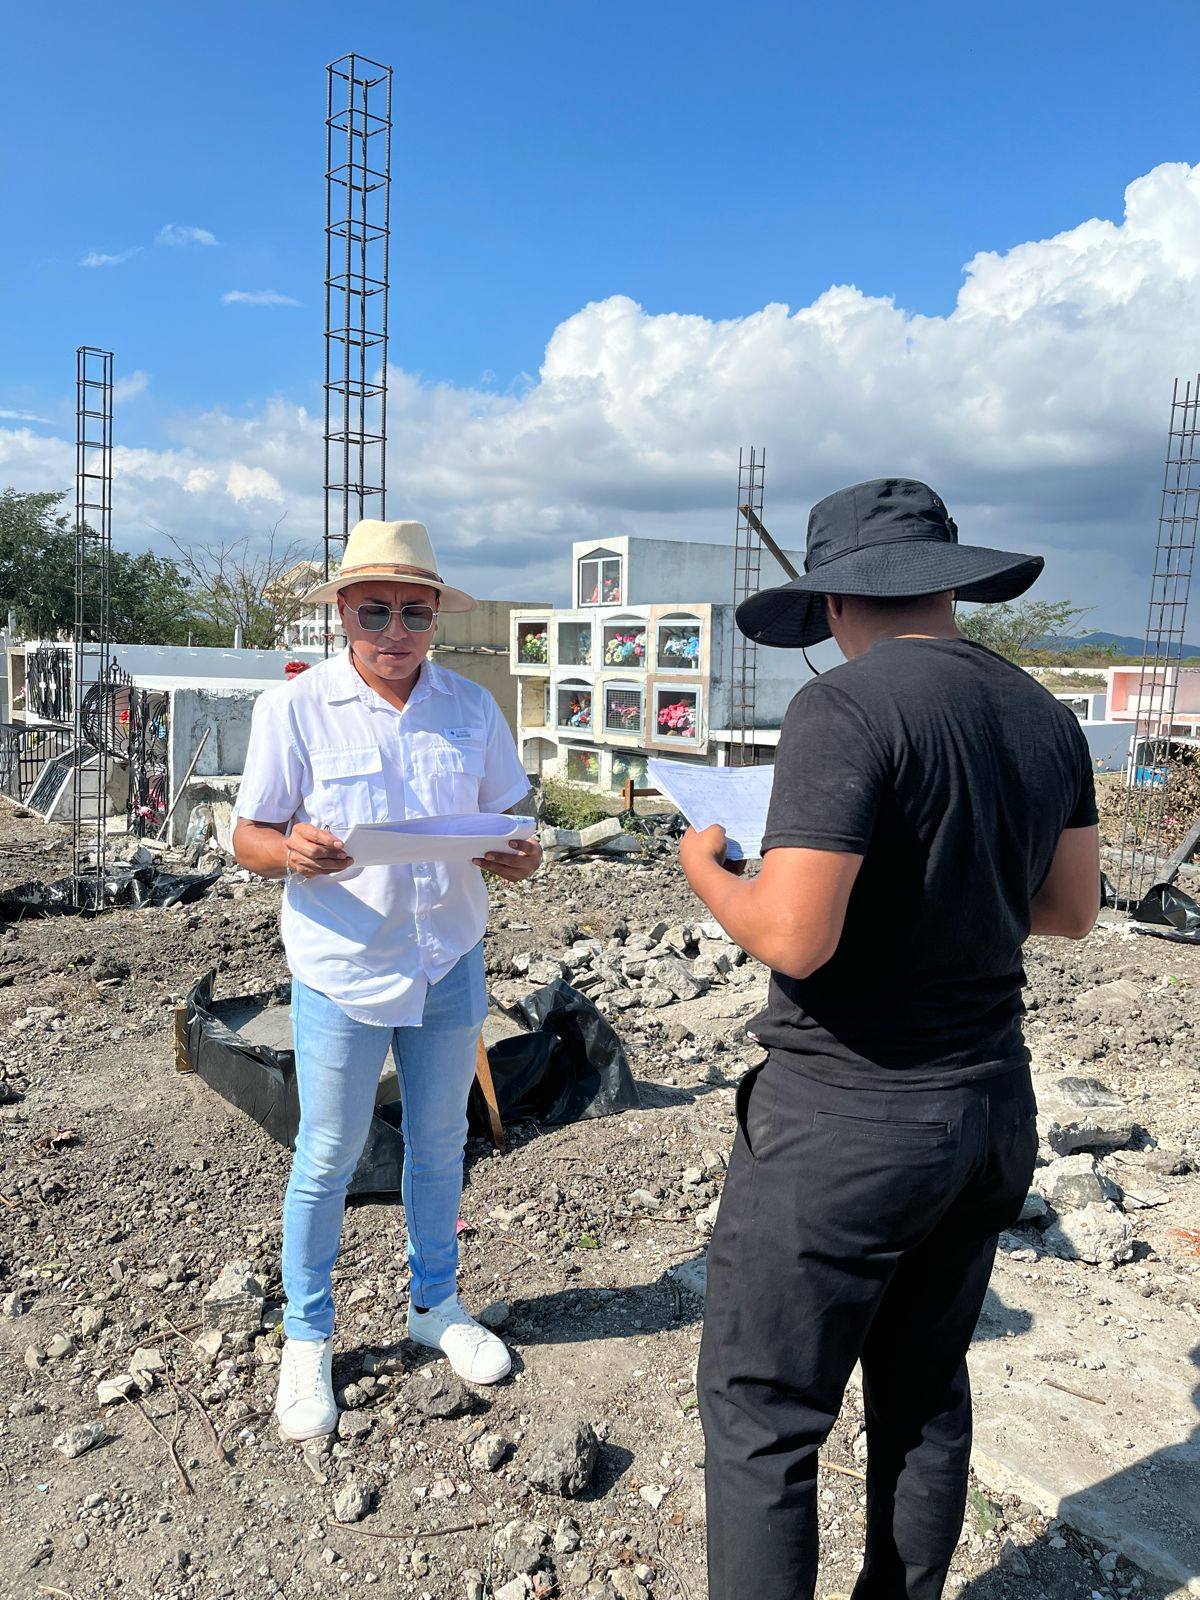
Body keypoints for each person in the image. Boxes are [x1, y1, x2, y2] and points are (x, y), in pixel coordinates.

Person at [678, 479, 1101, 1600]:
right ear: (947, 586)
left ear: (832, 605)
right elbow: (1071, 909)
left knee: (765, 1413)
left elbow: (794, 937)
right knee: (922, 1390)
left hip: (848, 1113)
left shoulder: (843, 708)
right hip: (989, 1106)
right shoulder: (1043, 713)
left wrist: (706, 869)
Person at [232, 518, 541, 1442]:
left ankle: (435, 1304)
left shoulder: (471, 707)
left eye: (415, 612)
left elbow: (509, 821)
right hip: (344, 965)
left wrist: (518, 857)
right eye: (376, 611)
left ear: (438, 616)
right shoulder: (296, 709)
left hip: (447, 958)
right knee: (328, 1153)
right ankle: (307, 1335)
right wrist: (290, 852)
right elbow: (250, 834)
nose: (396, 631)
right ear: (342, 615)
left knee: (441, 1141)